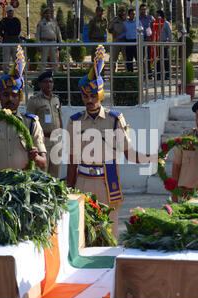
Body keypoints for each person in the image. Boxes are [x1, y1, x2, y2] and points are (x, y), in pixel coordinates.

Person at [67, 45, 156, 240]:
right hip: (82, 181)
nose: (89, 100)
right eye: (85, 96)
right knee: (81, 232)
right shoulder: (74, 120)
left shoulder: (114, 119)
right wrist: (69, 188)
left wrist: (153, 157)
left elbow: (128, 152)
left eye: (93, 96)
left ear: (100, 94)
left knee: (108, 233)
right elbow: (72, 159)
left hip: (107, 182)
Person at [26, 71, 62, 178]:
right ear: (40, 84)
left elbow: (59, 118)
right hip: (43, 141)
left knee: (56, 174)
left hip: (56, 140)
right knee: (42, 173)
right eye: (45, 82)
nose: (49, 84)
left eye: (51, 82)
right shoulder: (34, 101)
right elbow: (29, 122)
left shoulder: (56, 99)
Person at [36, 8, 62, 73]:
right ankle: (42, 74)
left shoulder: (54, 23)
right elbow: (37, 35)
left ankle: (56, 75)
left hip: (53, 42)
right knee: (43, 61)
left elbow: (59, 34)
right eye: (46, 13)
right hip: (44, 42)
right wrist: (38, 44)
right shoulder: (41, 23)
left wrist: (60, 43)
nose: (48, 15)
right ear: (44, 15)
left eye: (49, 13)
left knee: (55, 61)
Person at [0, 5, 22, 74]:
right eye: (9, 11)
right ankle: (6, 72)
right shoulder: (3, 21)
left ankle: (17, 71)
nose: (10, 13)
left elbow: (18, 30)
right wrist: (4, 36)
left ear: (13, 12)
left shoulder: (16, 20)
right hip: (7, 42)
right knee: (6, 59)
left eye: (11, 11)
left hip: (15, 42)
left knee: (16, 59)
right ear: (7, 12)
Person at [151, 10, 172, 80]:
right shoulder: (155, 23)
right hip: (156, 44)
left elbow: (170, 34)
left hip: (164, 43)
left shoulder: (166, 23)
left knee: (166, 60)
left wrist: (169, 43)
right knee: (157, 60)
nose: (156, 16)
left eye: (157, 15)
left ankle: (167, 75)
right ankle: (158, 75)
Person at [108, 7, 127, 72]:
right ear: (118, 12)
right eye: (120, 11)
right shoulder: (114, 20)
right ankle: (113, 74)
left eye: (123, 11)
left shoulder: (127, 20)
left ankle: (127, 73)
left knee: (126, 59)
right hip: (116, 41)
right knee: (113, 58)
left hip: (125, 41)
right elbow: (109, 29)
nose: (121, 13)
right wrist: (113, 32)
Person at [139, 4, 155, 78]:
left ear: (146, 10)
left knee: (148, 57)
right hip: (140, 40)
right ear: (139, 10)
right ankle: (142, 74)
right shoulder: (137, 19)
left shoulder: (150, 18)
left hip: (149, 40)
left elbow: (155, 27)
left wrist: (152, 36)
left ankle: (149, 73)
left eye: (144, 9)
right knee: (141, 58)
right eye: (142, 9)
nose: (143, 11)